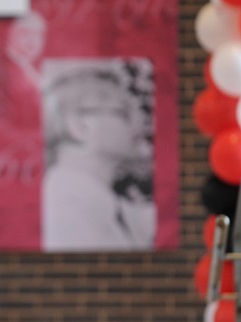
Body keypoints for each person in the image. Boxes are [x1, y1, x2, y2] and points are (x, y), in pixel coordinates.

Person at [41, 60, 157, 251]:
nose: (142, 123)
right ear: (80, 126)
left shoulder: (102, 203)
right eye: (124, 112)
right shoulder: (66, 213)